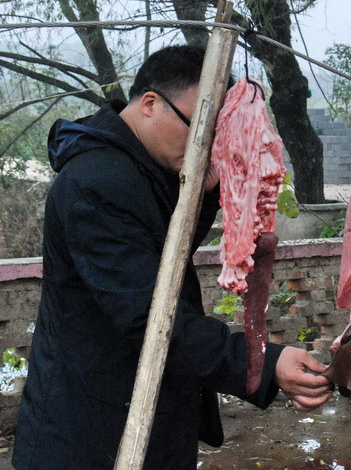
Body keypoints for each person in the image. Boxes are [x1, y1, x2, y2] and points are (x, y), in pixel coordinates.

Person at [12, 45, 332, 469]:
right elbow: (149, 316)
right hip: (89, 430)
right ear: (150, 103)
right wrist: (261, 362)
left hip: (139, 412)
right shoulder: (96, 182)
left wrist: (205, 196)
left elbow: (162, 255)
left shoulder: (135, 167)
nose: (206, 144)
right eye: (198, 126)